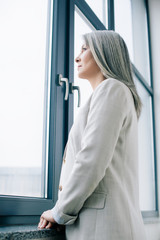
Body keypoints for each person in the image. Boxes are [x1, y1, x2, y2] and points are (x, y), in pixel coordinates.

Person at [38, 30, 147, 240]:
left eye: (85, 49)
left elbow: (91, 159)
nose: (77, 57)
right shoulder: (113, 93)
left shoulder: (112, 89)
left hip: (105, 229)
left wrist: (60, 212)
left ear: (105, 53)